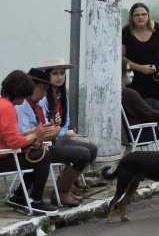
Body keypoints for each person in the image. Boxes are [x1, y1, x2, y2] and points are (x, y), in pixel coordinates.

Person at [16, 68, 91, 206]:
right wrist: (52, 132)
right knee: (83, 153)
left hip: (46, 144)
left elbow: (49, 126)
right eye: (43, 89)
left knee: (89, 148)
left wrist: (55, 125)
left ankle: (65, 188)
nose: (45, 94)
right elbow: (23, 135)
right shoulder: (21, 106)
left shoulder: (40, 103)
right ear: (31, 87)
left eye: (46, 90)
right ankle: (60, 192)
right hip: (34, 148)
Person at [0, 70, 57, 214]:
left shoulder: (3, 104)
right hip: (3, 158)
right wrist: (36, 134)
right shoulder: (7, 108)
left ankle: (20, 196)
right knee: (43, 156)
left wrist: (30, 133)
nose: (26, 98)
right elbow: (14, 143)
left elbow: (7, 136)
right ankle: (35, 200)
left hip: (4, 154)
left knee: (37, 155)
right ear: (20, 92)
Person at [38, 57, 98, 183]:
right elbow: (44, 123)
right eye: (55, 73)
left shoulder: (63, 96)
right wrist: (63, 134)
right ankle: (67, 184)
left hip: (61, 135)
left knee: (93, 143)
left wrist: (65, 132)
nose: (59, 77)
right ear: (47, 75)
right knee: (87, 146)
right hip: (51, 139)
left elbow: (66, 121)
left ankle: (69, 179)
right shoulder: (43, 98)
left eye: (62, 73)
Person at [122, 2, 159, 104]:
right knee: (140, 110)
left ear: (148, 15)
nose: (140, 17)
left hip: (156, 79)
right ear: (132, 17)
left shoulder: (158, 29)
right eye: (136, 15)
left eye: (144, 14)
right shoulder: (126, 32)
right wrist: (140, 68)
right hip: (134, 79)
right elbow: (121, 57)